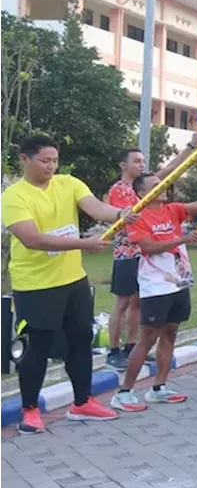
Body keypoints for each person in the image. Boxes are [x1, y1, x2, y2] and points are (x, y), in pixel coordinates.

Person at [0, 134, 138, 433]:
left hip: (73, 280)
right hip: (35, 284)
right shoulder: (13, 197)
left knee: (80, 340)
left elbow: (94, 207)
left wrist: (118, 214)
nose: (51, 166)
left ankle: (82, 401)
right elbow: (32, 239)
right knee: (37, 346)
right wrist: (82, 243)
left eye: (55, 161)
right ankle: (30, 410)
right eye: (44, 161)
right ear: (25, 159)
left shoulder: (69, 183)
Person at [110, 173, 197, 411]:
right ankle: (124, 392)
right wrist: (181, 239)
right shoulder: (136, 216)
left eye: (161, 184)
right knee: (147, 338)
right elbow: (148, 247)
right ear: (142, 193)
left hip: (179, 282)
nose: (162, 188)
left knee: (171, 333)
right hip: (155, 285)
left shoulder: (172, 209)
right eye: (155, 186)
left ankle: (159, 387)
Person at [103, 135, 197, 371]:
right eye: (136, 161)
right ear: (123, 165)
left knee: (139, 301)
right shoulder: (120, 190)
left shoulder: (149, 184)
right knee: (123, 302)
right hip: (128, 252)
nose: (141, 165)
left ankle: (131, 345)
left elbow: (171, 168)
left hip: (146, 255)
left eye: (142, 161)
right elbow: (127, 217)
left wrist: (190, 147)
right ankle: (113, 350)